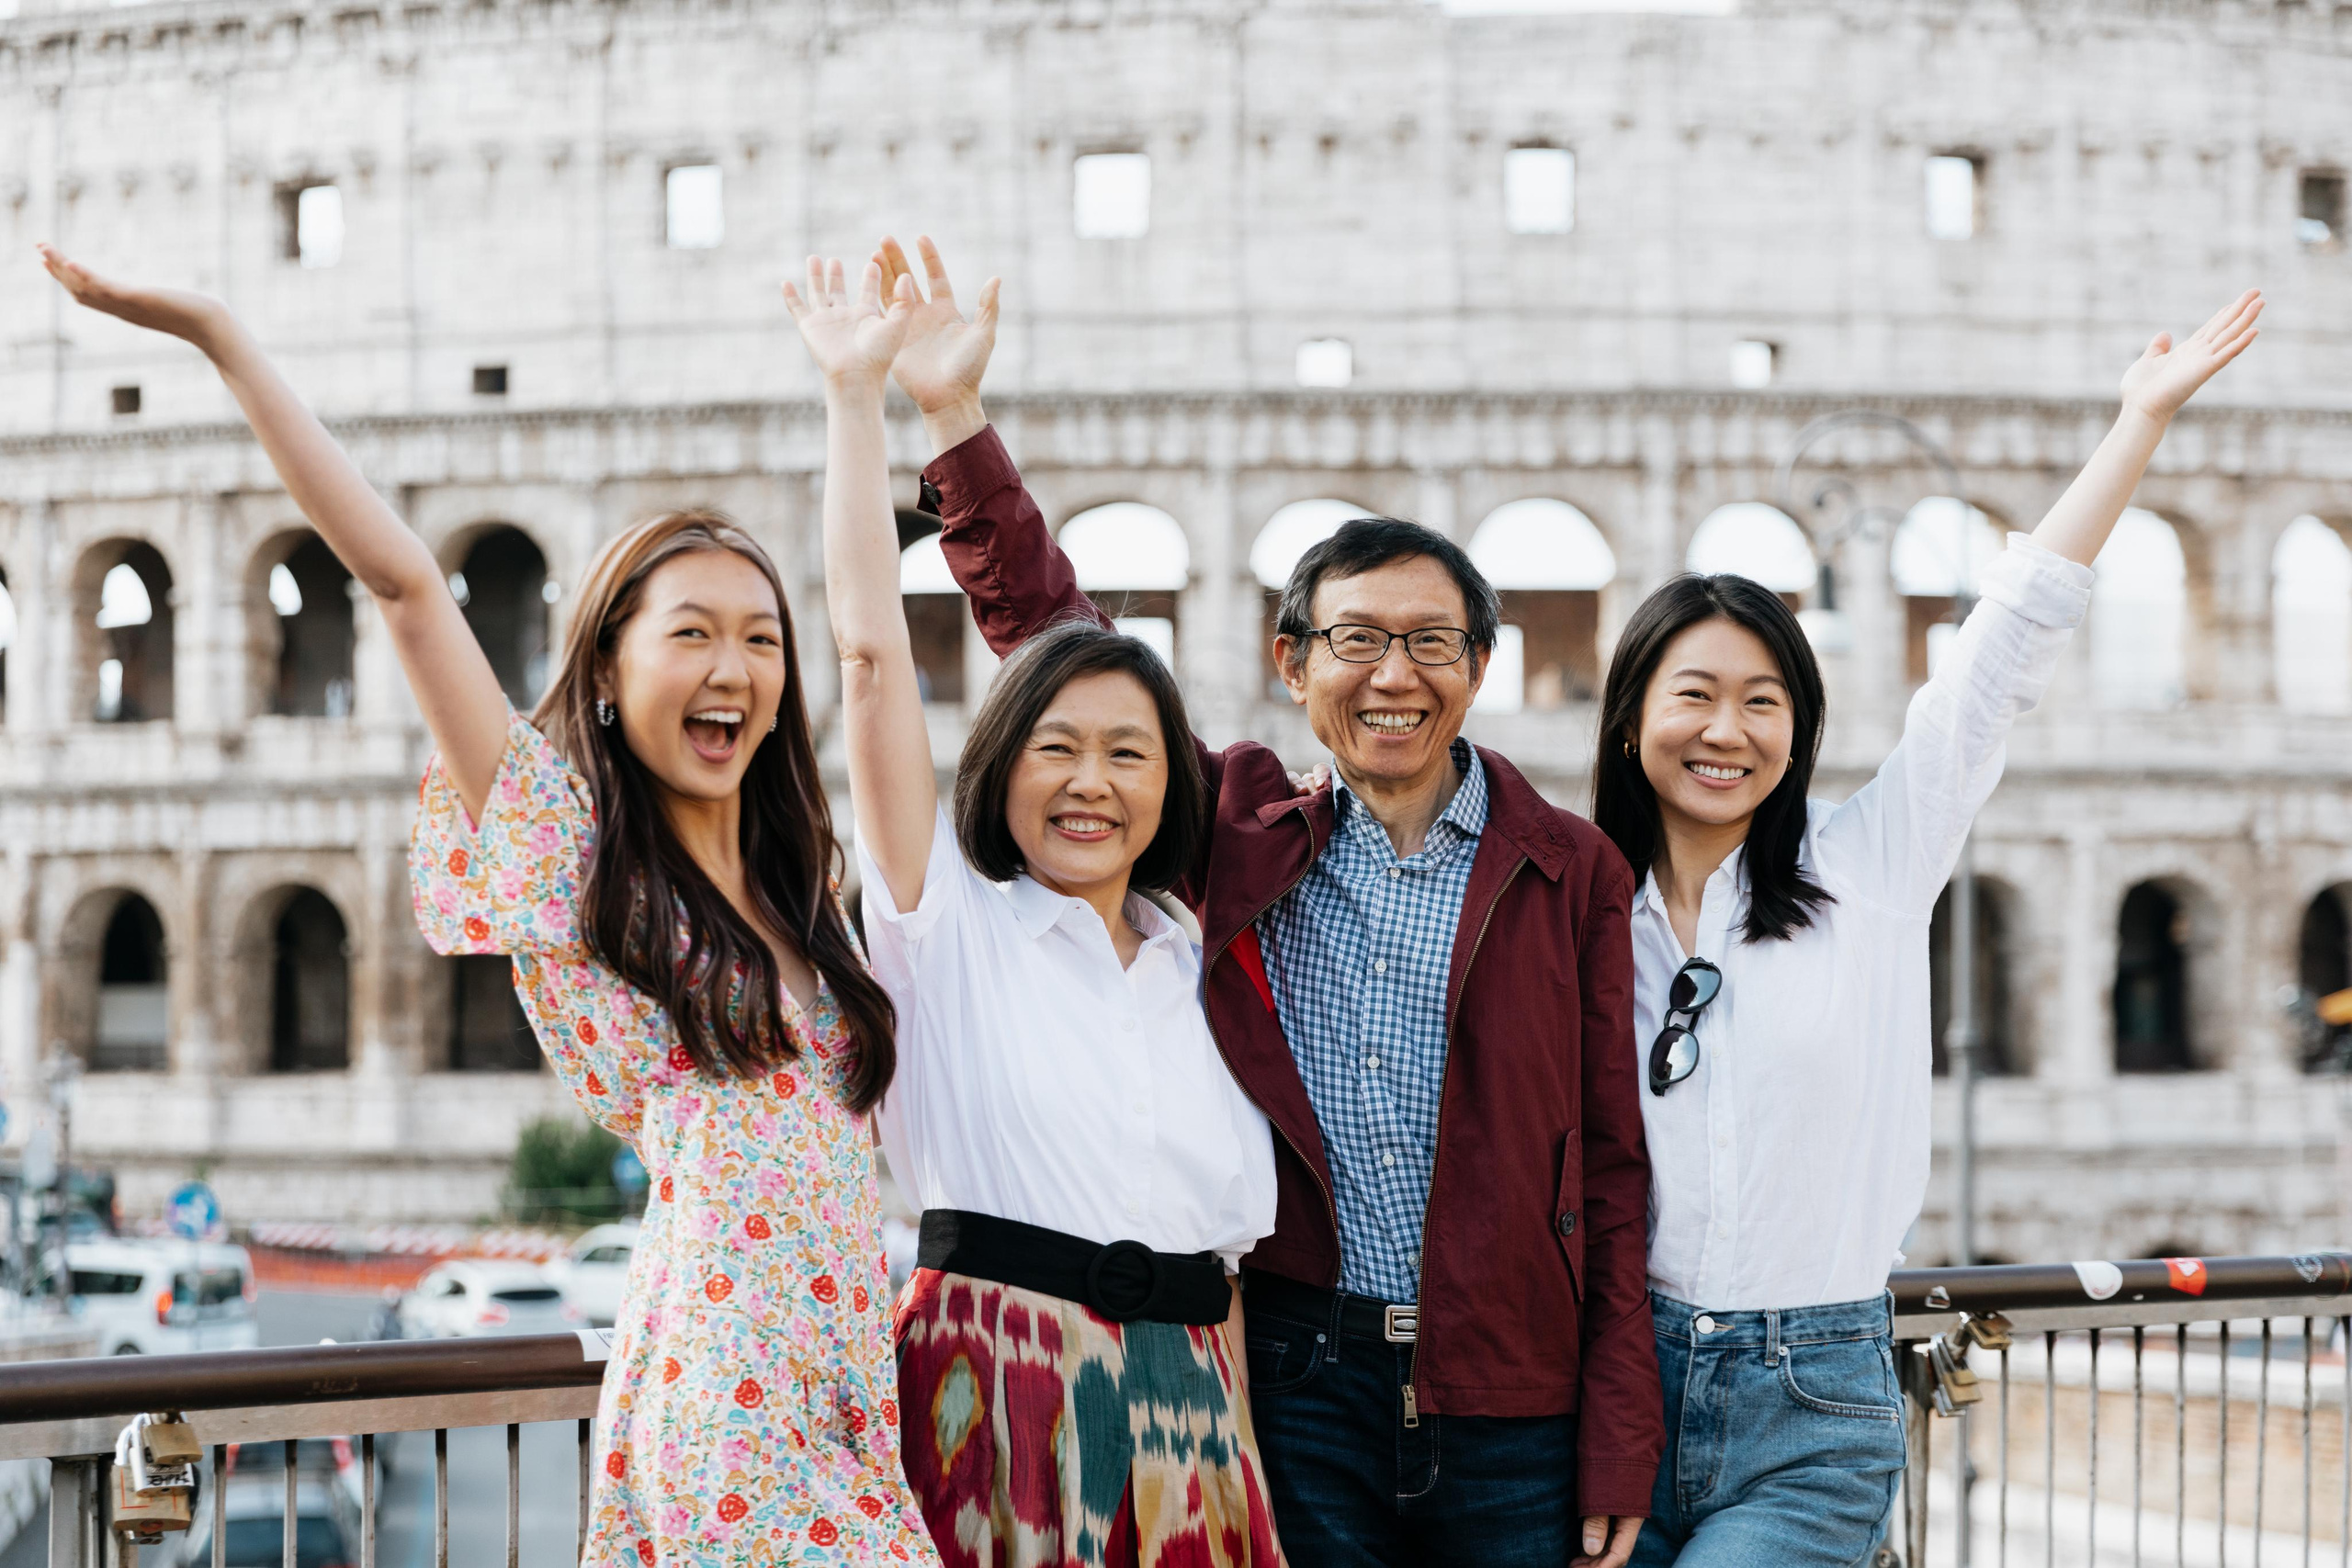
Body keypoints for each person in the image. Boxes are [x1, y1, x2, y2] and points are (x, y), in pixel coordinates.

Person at [38, 243, 940, 1567]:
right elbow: (405, 586)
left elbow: (870, 655)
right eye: (689, 631)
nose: (733, 666)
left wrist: (856, 397)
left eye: (758, 637)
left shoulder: (810, 891)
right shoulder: (582, 863)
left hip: (852, 1392)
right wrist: (220, 337)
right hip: (726, 1399)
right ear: (612, 660)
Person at [868, 237, 1662, 1568]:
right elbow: (1061, 651)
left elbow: (1615, 1164)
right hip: (1297, 1382)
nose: (1392, 675)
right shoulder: (1239, 829)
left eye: (1430, 643)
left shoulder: (1569, 865)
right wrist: (954, 421)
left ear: (1482, 665)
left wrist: (1617, 1429)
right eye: (1354, 639)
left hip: (1515, 1399)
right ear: (1292, 664)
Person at [1590, 289, 2263, 1567]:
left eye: (1764, 702)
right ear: (1633, 718)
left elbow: (2000, 652)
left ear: (1800, 731)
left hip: (1814, 1400)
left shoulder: (1873, 865)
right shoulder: (1579, 909)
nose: (1726, 731)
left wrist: (2138, 424)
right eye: (1696, 696)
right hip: (1615, 1389)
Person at [782, 255, 1284, 1568]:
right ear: (1001, 766)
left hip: (1196, 1422)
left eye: (1130, 753)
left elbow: (1221, 1268)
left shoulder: (1201, 967)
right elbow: (870, 656)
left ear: (1173, 783)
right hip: (986, 1385)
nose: (1091, 784)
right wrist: (859, 398)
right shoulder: (945, 923)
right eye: (1057, 747)